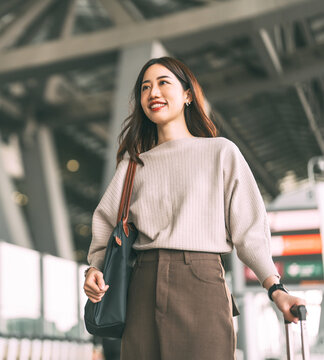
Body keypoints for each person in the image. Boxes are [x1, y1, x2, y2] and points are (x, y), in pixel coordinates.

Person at [83, 56, 306, 360]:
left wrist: (275, 289)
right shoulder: (133, 165)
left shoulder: (220, 153)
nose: (153, 93)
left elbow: (249, 232)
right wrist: (95, 268)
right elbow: (106, 223)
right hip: (142, 287)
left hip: (201, 282)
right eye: (145, 88)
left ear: (188, 94)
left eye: (163, 83)